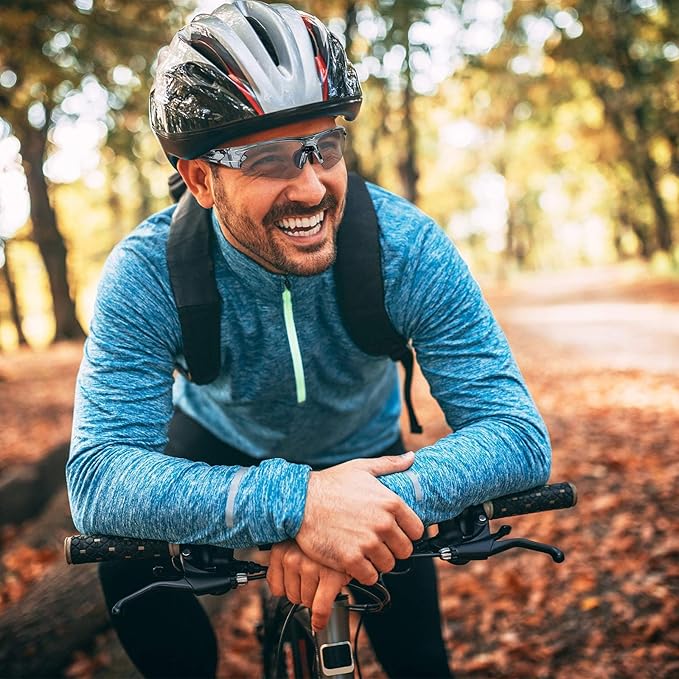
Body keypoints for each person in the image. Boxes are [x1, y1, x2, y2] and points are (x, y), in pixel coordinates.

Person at [66, 1, 551, 677]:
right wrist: (298, 505)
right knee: (127, 568)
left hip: (368, 457)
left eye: (324, 147)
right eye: (268, 160)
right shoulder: (149, 272)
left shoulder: (405, 248)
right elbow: (98, 476)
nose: (310, 186)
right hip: (221, 443)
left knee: (419, 660)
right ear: (200, 178)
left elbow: (517, 434)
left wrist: (355, 510)